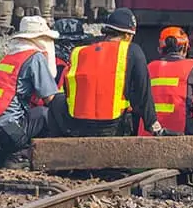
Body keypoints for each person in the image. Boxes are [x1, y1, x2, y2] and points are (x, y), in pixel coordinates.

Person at [0, 16, 64, 163]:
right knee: (46, 114)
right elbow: (50, 99)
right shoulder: (35, 57)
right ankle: (22, 155)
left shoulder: (11, 56)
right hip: (5, 133)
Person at [58, 8, 167, 137]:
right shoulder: (132, 50)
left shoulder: (79, 51)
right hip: (113, 125)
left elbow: (65, 90)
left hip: (78, 125)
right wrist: (153, 126)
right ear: (127, 36)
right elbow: (142, 93)